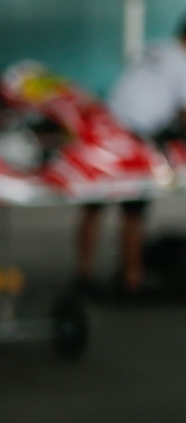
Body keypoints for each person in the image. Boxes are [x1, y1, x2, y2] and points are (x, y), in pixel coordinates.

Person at [76, 18, 186, 292]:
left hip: (104, 127)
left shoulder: (156, 49)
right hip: (133, 138)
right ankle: (131, 278)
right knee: (133, 209)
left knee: (93, 204)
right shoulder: (182, 63)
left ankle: (84, 272)